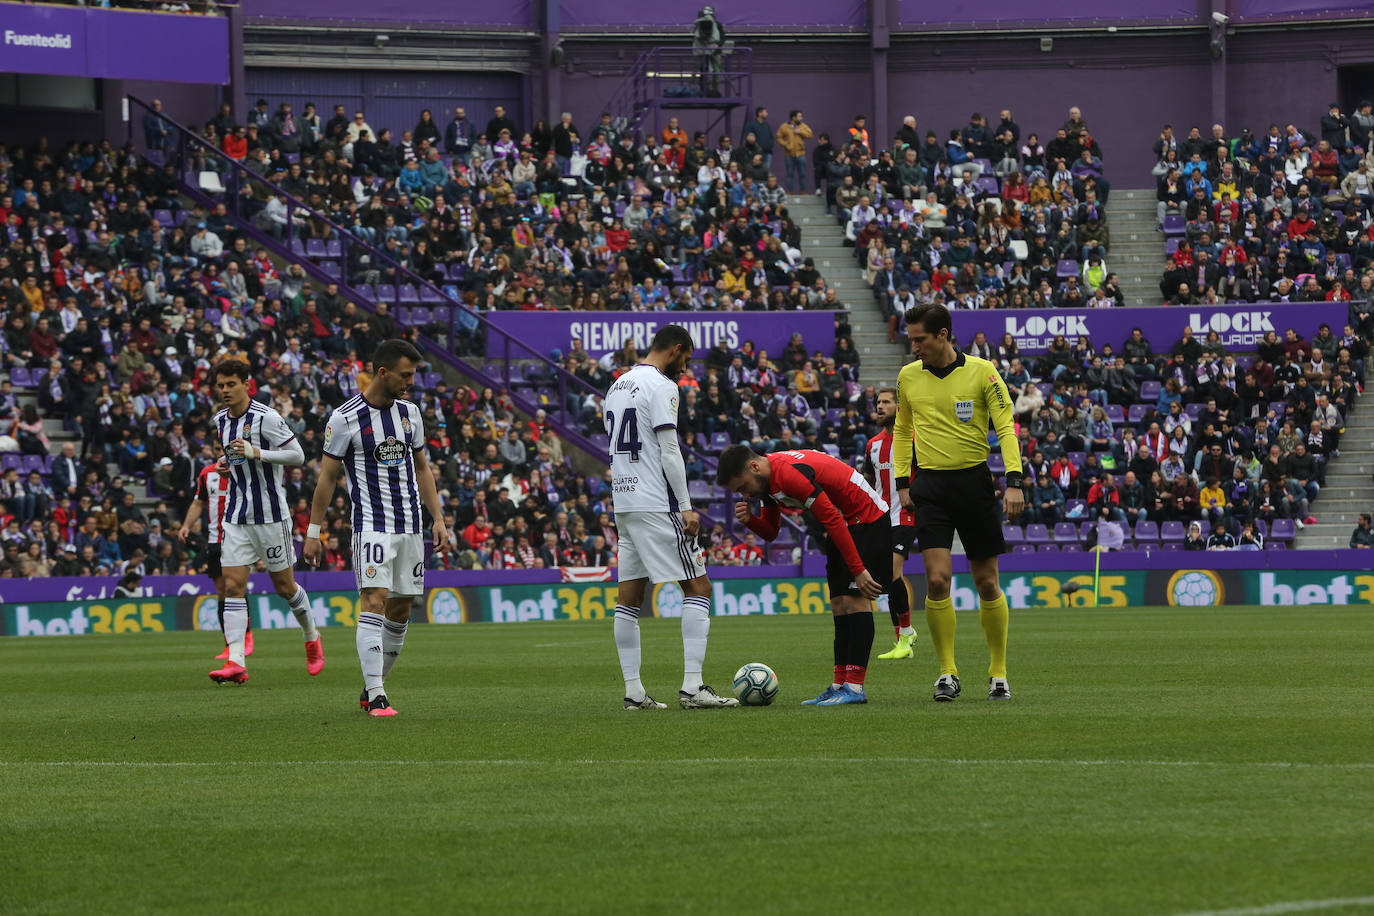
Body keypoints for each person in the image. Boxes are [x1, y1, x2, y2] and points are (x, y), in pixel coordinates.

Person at [305, 340, 451, 718]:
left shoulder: (410, 414)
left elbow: (422, 469)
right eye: (405, 375)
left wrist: (437, 518)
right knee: (374, 599)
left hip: (410, 527)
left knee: (401, 609)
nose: (411, 382)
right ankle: (378, 694)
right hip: (371, 525)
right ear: (382, 373)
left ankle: (372, 686)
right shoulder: (344, 418)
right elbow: (326, 478)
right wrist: (313, 530)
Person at [893, 304, 1023, 702]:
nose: (914, 346)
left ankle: (998, 673)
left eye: (921, 339)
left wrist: (1014, 480)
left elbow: (1005, 427)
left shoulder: (983, 372)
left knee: (986, 583)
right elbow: (901, 430)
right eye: (911, 339)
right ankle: (947, 673)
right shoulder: (907, 377)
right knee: (936, 580)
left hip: (974, 484)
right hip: (930, 488)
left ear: (943, 335)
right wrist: (902, 483)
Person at [603, 325, 737, 711]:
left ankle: (633, 691)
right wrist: (685, 505)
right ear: (676, 350)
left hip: (624, 503)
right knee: (699, 588)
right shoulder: (662, 386)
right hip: (655, 502)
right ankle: (693, 688)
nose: (685, 369)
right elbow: (668, 451)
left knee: (629, 599)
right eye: (687, 359)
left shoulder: (618, 385)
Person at [718, 445, 889, 706]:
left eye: (743, 487)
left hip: (866, 517)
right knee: (839, 605)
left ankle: (855, 687)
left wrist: (859, 570)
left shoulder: (786, 475)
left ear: (754, 467)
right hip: (844, 524)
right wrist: (751, 521)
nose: (744, 494)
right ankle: (839, 684)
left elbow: (830, 516)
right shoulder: (767, 485)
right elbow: (771, 532)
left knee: (855, 602)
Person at [206, 361, 323, 685]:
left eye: (231, 383)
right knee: (232, 585)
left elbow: (297, 455)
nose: (225, 390)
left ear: (248, 384)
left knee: (284, 587)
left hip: (270, 516)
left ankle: (312, 637)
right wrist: (226, 462)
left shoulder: (266, 418)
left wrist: (257, 452)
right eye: (221, 385)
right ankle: (236, 660)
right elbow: (236, 457)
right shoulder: (220, 421)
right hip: (236, 515)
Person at [178, 443, 249, 660]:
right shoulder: (207, 474)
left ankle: (246, 638)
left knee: (235, 587)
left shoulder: (244, 470)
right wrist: (186, 525)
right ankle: (230, 643)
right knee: (221, 591)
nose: (220, 451)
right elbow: (199, 503)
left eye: (224, 448)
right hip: (215, 539)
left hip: (239, 536)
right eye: (217, 447)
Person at [864, 387, 919, 660]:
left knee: (893, 573)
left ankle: (906, 633)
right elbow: (868, 482)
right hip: (881, 519)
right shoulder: (872, 444)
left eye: (886, 402)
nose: (880, 406)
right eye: (878, 402)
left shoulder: (913, 437)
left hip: (906, 516)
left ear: (899, 408)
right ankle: (902, 641)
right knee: (887, 578)